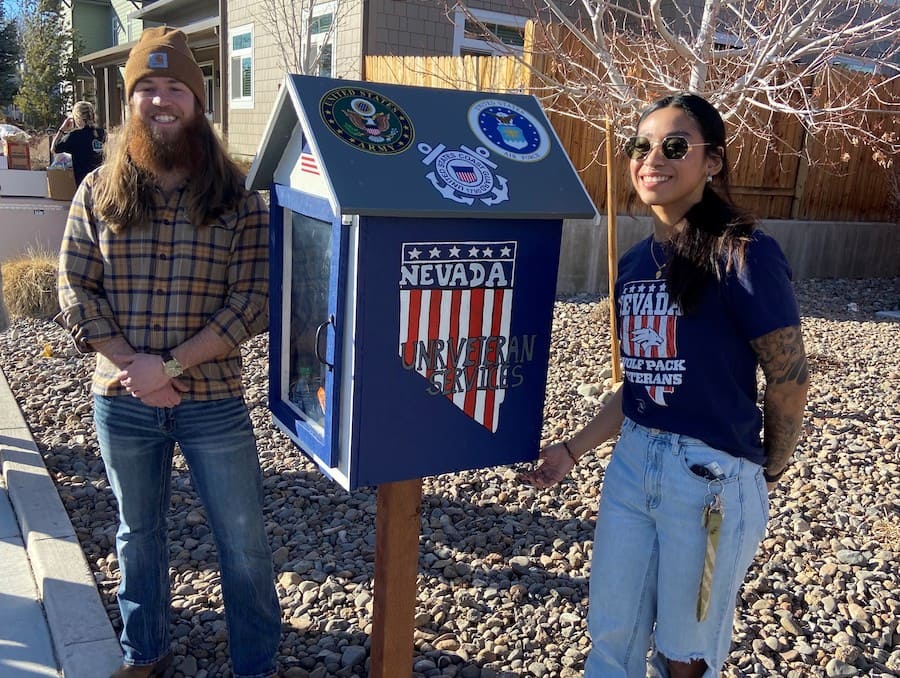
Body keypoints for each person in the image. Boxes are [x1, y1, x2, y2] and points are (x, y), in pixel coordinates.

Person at [522, 93, 809, 678]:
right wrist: (573, 450)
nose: (653, 158)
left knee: (686, 651)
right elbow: (641, 385)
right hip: (631, 467)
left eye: (675, 146)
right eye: (642, 146)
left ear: (712, 162)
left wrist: (768, 470)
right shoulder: (631, 264)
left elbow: (788, 378)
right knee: (611, 637)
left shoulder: (745, 254)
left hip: (709, 482)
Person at [57, 26, 281, 678]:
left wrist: (171, 366)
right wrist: (135, 367)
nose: (161, 100)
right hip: (122, 402)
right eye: (146, 88)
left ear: (197, 99)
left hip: (212, 402)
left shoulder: (237, 199)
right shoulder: (97, 190)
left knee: (243, 544)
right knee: (138, 537)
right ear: (129, 102)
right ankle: (144, 654)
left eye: (174, 87)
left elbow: (252, 300)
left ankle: (256, 665)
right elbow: (75, 289)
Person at [52, 100, 107, 185]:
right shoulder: (102, 133)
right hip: (103, 184)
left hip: (85, 185)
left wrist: (62, 130)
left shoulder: (74, 136)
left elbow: (54, 149)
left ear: (77, 117)